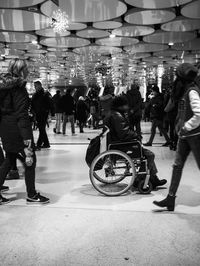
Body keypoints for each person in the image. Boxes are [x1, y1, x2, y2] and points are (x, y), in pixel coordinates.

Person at [0, 58, 49, 204]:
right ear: (20, 71)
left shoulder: (3, 87)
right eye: (26, 69)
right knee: (30, 162)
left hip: (5, 128)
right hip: (17, 130)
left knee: (9, 160)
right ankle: (32, 195)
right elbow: (21, 114)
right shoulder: (18, 88)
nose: (28, 71)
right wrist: (27, 137)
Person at [153, 63, 200, 211]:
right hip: (185, 136)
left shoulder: (192, 92)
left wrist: (186, 126)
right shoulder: (185, 91)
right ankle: (170, 198)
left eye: (177, 77)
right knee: (177, 166)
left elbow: (199, 115)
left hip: (195, 136)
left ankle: (170, 198)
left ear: (181, 79)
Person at [105, 95, 167, 190]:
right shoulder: (117, 116)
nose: (127, 107)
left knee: (147, 154)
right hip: (123, 146)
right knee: (149, 155)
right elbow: (124, 133)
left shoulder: (114, 113)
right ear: (120, 106)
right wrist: (136, 135)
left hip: (118, 144)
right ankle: (140, 179)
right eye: (125, 105)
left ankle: (153, 178)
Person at [31, 81, 54, 149]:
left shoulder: (45, 94)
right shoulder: (36, 94)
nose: (35, 88)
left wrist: (52, 112)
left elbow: (50, 103)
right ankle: (46, 143)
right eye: (34, 86)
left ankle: (39, 144)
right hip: (38, 113)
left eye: (36, 86)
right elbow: (33, 103)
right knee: (42, 128)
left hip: (43, 113)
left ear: (40, 86)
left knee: (41, 128)